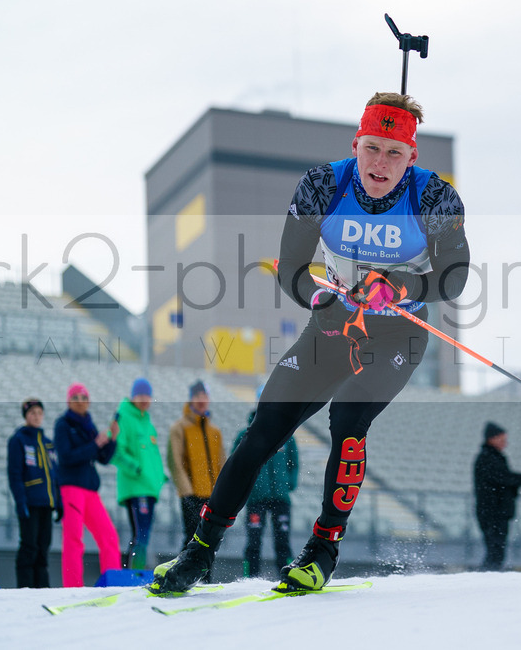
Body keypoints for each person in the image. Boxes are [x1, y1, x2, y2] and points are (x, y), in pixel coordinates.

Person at [150, 92, 470, 594]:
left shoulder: (435, 197)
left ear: (412, 157)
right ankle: (199, 552)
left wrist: (402, 287)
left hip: (398, 331)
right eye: (371, 148)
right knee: (264, 428)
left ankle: (322, 550)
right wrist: (318, 299)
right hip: (336, 323)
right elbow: (292, 269)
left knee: (347, 416)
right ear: (355, 144)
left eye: (393, 152)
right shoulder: (322, 185)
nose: (379, 163)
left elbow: (454, 278)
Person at [54, 382, 121, 587]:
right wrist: (96, 444)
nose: (80, 402)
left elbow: (103, 458)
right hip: (71, 488)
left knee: (109, 537)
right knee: (74, 539)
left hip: (90, 491)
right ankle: (72, 586)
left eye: (84, 398)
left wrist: (112, 439)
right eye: (76, 397)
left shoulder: (88, 425)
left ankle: (114, 582)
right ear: (69, 401)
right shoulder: (63, 424)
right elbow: (65, 457)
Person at [233, 404, 299, 578]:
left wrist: (288, 484)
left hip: (281, 498)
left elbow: (294, 462)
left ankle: (287, 576)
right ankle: (250, 577)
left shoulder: (286, 435)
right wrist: (249, 485)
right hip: (256, 498)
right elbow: (236, 463)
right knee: (254, 542)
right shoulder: (246, 435)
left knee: (283, 542)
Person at [112, 377, 167, 570]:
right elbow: (116, 452)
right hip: (136, 487)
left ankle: (133, 572)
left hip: (149, 487)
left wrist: (160, 476)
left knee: (142, 533)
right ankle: (134, 574)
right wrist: (136, 468)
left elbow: (151, 456)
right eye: (140, 394)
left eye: (148, 395)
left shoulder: (147, 422)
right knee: (141, 534)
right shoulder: (124, 417)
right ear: (133, 396)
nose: (145, 399)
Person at [8, 399, 61, 588]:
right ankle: (25, 587)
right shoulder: (19, 440)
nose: (36, 416)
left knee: (43, 547)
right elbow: (15, 474)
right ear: (26, 416)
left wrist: (59, 501)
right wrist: (20, 501)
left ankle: (42, 588)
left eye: (39, 412)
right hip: (30, 502)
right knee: (29, 545)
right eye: (32, 413)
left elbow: (55, 475)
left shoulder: (48, 443)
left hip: (46, 503)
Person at [166, 380, 224, 549]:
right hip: (191, 494)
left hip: (212, 497)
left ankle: (205, 577)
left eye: (205, 395)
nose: (201, 399)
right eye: (198, 395)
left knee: (210, 542)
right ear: (191, 398)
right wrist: (187, 493)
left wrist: (221, 492)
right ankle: (184, 575)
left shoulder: (215, 432)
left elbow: (222, 463)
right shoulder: (179, 427)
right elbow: (174, 461)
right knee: (192, 539)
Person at [473, 422, 521, 572]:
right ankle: (487, 578)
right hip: (492, 511)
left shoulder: (493, 457)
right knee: (495, 550)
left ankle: (490, 577)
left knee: (497, 549)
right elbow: (502, 479)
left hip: (496, 510)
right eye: (502, 439)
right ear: (491, 439)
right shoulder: (487, 458)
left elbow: (503, 479)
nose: (505, 444)